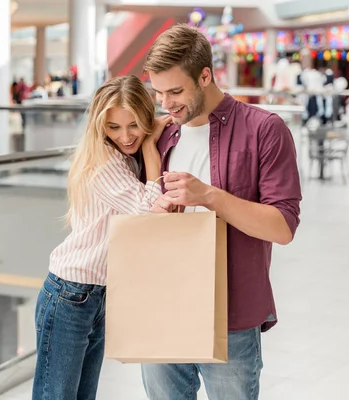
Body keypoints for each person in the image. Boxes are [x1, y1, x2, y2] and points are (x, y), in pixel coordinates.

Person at [141, 24, 302, 400]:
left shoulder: (265, 130)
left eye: (176, 91)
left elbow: (282, 227)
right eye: (159, 92)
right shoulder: (161, 134)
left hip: (230, 315)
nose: (167, 103)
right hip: (164, 308)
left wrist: (209, 196)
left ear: (206, 75)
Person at [32, 75, 172, 400]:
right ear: (100, 126)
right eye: (114, 127)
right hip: (70, 294)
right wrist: (150, 150)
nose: (125, 136)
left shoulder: (123, 159)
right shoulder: (104, 162)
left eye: (134, 125)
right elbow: (147, 210)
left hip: (97, 296)